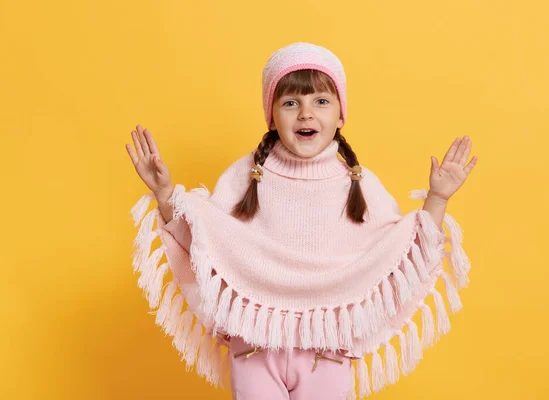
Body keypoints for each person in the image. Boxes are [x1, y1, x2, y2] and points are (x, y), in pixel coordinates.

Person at [125, 42, 477, 400]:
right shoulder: (244, 176)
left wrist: (438, 198)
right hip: (254, 347)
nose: (306, 114)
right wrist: (166, 195)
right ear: (272, 115)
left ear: (341, 114)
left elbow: (405, 255)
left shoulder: (359, 182)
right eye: (291, 102)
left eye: (321, 101)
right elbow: (204, 246)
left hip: (327, 349)